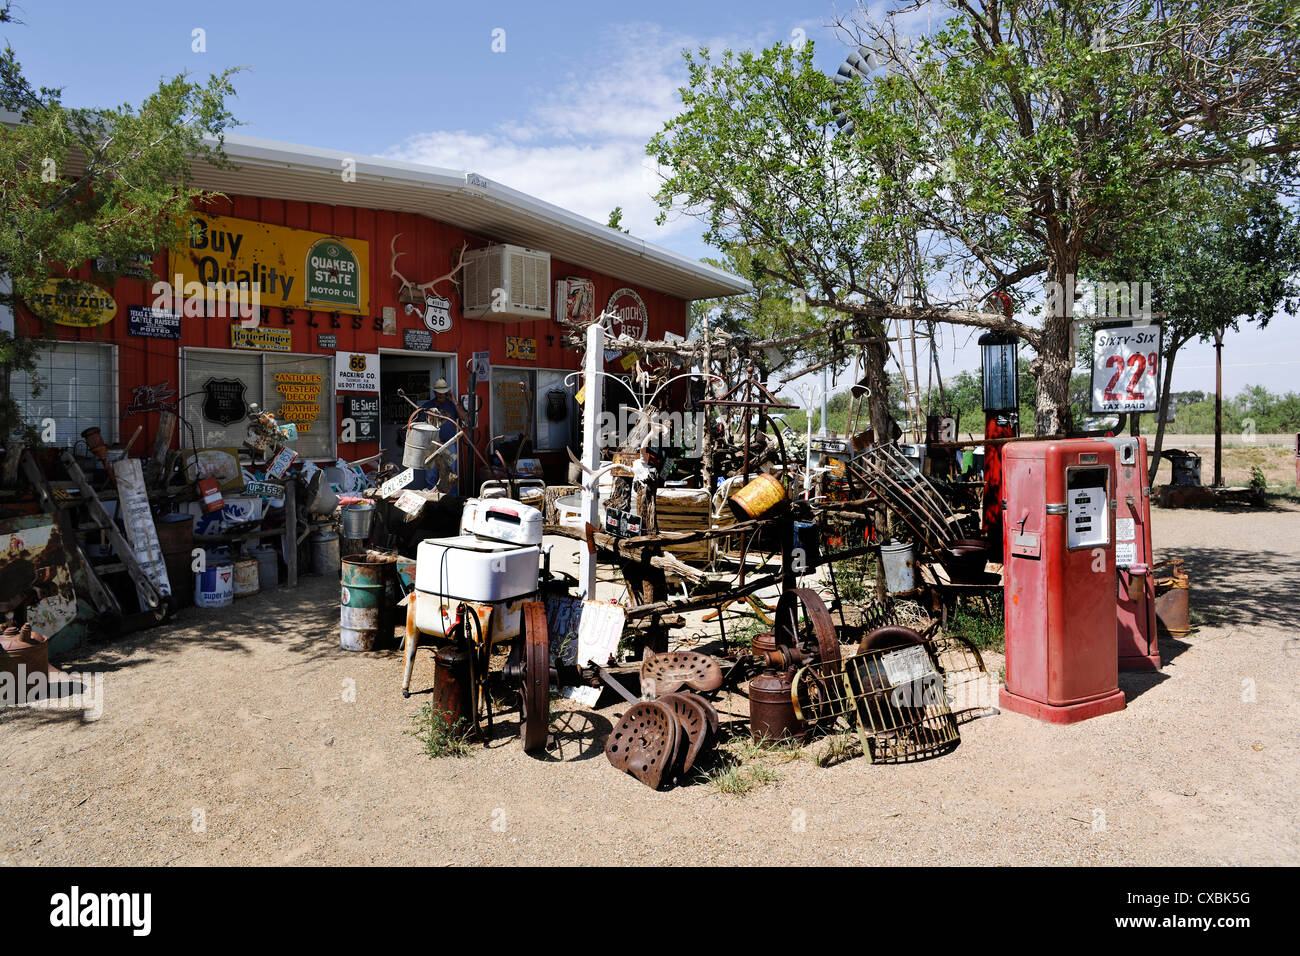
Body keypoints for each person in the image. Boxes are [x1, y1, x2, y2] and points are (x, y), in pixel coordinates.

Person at [416, 378, 463, 493]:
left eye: (444, 392)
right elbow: (419, 426)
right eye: (439, 392)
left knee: (450, 475)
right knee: (430, 476)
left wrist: (455, 402)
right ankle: (433, 505)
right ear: (435, 393)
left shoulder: (451, 406)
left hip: (448, 444)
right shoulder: (427, 407)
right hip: (431, 445)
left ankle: (452, 503)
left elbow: (464, 417)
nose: (441, 395)